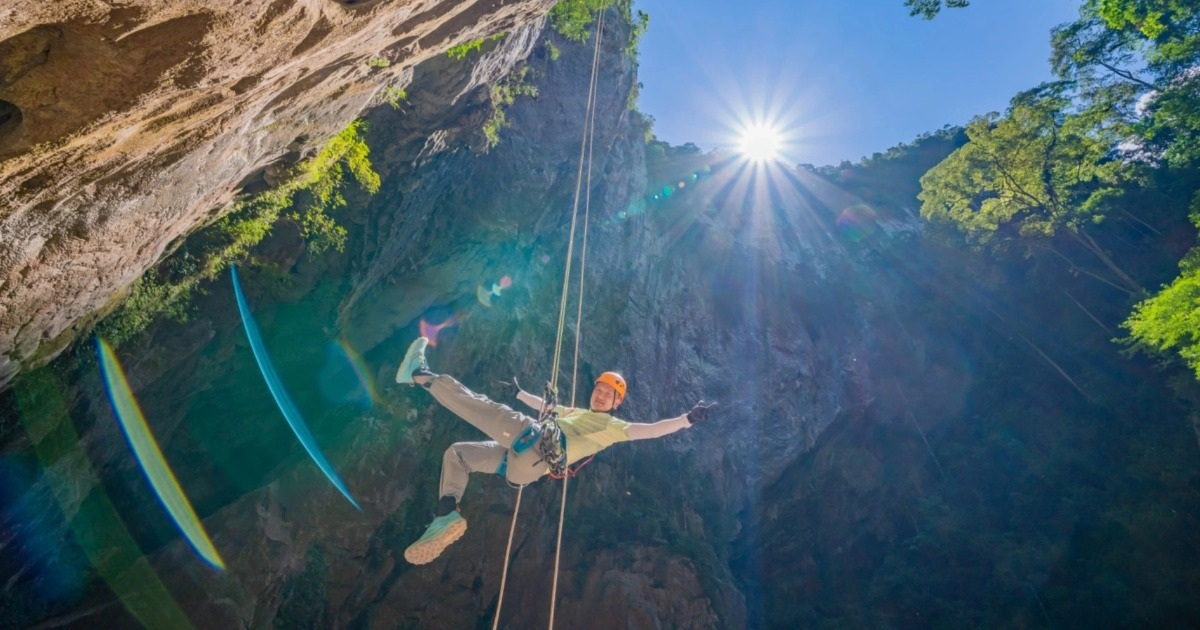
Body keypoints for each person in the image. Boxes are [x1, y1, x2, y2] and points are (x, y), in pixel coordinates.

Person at [394, 336, 716, 565]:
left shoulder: (613, 429)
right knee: (458, 454)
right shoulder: (575, 413)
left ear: (617, 403)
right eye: (600, 389)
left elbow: (653, 430)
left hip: (536, 446)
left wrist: (687, 419)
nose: (601, 396)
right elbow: (548, 405)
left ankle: (418, 374)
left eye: (609, 395)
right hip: (523, 467)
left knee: (480, 406)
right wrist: (520, 394)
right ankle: (444, 514)